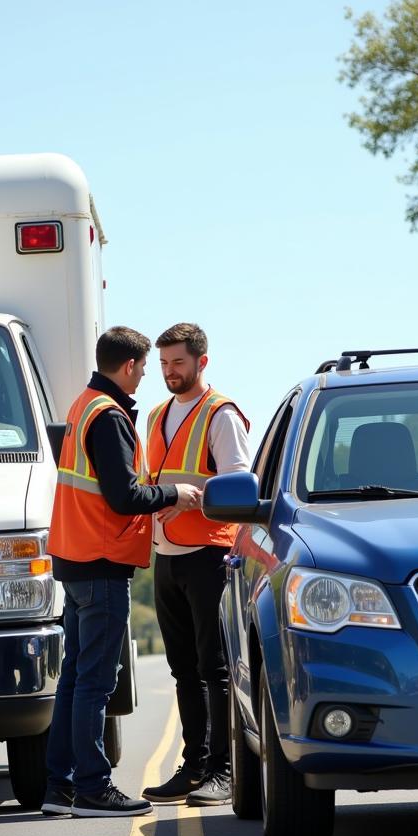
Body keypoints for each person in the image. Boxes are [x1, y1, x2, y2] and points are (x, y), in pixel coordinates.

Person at [43, 326, 202, 818]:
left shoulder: (82, 405)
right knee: (94, 681)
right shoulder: (109, 416)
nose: (146, 378)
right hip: (101, 560)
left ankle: (61, 786)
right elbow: (124, 495)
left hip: (76, 559)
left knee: (74, 678)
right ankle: (92, 787)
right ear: (130, 366)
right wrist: (174, 494)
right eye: (145, 369)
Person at [142, 323, 250, 807]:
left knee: (216, 668)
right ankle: (194, 767)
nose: (169, 372)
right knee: (183, 669)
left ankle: (225, 771)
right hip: (166, 557)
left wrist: (191, 503)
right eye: (163, 364)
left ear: (201, 362)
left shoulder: (221, 415)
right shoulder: (156, 415)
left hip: (209, 555)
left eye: (178, 363)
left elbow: (239, 489)